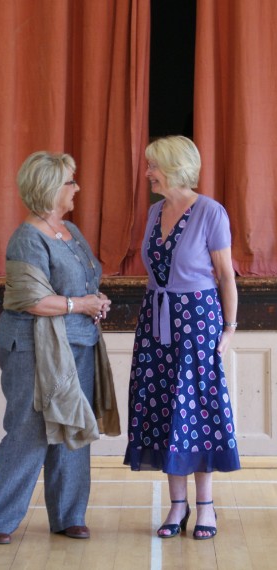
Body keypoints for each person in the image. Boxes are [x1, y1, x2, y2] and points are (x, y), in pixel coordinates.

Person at [0, 151, 118, 545]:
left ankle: (69, 516)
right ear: (50, 188)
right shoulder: (27, 238)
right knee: (29, 430)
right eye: (71, 182)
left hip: (79, 343)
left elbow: (81, 284)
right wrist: (82, 304)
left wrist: (95, 300)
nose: (78, 187)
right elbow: (31, 300)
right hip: (31, 347)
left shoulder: (71, 230)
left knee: (74, 424)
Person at [124, 136, 240, 540]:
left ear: (172, 167)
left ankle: (205, 505)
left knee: (199, 412)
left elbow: (226, 277)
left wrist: (229, 328)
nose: (148, 173)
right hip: (156, 321)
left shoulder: (211, 211)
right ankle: (177, 504)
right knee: (163, 409)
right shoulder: (155, 211)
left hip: (198, 322)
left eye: (152, 166)